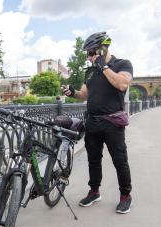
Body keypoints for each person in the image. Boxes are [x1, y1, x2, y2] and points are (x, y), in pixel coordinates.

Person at [62, 32, 133, 214]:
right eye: (87, 54)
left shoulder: (122, 64)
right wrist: (72, 92)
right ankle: (94, 192)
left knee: (120, 161)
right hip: (92, 123)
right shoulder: (92, 71)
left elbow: (122, 84)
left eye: (91, 52)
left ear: (102, 49)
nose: (89, 57)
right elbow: (83, 94)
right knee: (93, 161)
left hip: (112, 123)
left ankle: (126, 196)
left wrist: (104, 67)